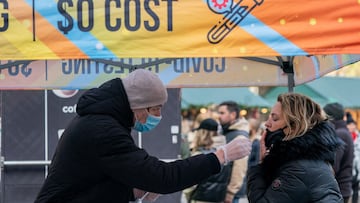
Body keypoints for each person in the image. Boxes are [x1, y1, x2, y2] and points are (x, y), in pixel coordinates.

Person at [34, 69, 252, 203]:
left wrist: (133, 190)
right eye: (155, 109)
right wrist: (220, 156)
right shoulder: (104, 130)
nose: (158, 116)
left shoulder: (101, 121)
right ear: (138, 106)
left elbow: (92, 183)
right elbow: (163, 177)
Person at [247, 92, 343, 203]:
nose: (267, 124)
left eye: (275, 119)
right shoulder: (300, 161)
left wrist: (260, 166)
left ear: (294, 126)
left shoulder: (298, 169)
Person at [184, 118, 228, 203]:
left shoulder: (200, 154)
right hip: (219, 198)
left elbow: (190, 183)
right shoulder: (225, 152)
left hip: (200, 197)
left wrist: (187, 195)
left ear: (202, 133)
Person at [217, 101, 250, 203]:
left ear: (233, 115)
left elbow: (240, 167)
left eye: (222, 113)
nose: (219, 116)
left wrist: (231, 192)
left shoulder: (239, 136)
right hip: (222, 189)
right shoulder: (228, 132)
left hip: (230, 194)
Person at [324, 103, 354, 203]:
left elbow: (334, 165)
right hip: (342, 189)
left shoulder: (340, 133)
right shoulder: (343, 131)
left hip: (339, 189)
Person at [233, 118, 263, 203]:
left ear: (252, 129)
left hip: (246, 178)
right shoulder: (249, 140)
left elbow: (256, 162)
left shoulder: (256, 142)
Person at [346, 112, 360, 203]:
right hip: (348, 167)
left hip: (358, 166)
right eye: (350, 125)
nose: (352, 127)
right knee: (348, 190)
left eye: (353, 125)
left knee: (356, 189)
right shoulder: (345, 136)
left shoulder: (358, 136)